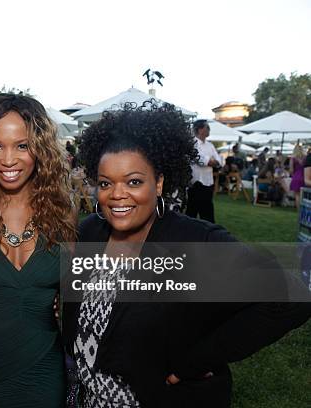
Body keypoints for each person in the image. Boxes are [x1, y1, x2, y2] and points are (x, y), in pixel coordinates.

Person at [62, 103, 310, 407]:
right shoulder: (89, 232)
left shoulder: (195, 241)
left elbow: (291, 298)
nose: (117, 194)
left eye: (134, 181)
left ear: (160, 182)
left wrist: (198, 360)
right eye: (105, 183)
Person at [0, 94, 76, 407]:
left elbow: (83, 290)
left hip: (44, 368)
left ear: (39, 150)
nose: (8, 159)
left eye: (22, 145)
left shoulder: (66, 214)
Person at [185, 119, 222, 223]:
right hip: (195, 183)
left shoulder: (210, 145)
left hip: (208, 183)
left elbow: (219, 161)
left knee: (208, 214)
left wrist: (212, 161)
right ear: (200, 129)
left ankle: (208, 235)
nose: (209, 129)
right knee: (191, 213)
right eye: (207, 127)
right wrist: (210, 161)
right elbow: (201, 161)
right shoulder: (192, 144)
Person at [289, 144, 305, 209]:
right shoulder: (306, 158)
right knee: (304, 195)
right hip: (304, 177)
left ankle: (299, 210)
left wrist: (293, 175)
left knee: (297, 195)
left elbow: (291, 170)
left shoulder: (293, 159)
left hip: (296, 177)